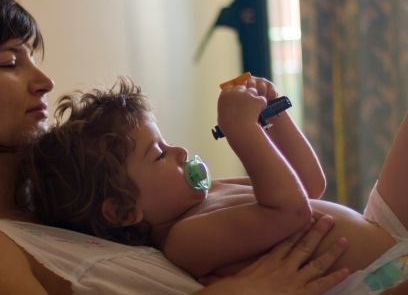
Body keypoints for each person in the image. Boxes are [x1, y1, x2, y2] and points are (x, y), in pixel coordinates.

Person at [0, 0, 350, 295]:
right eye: (9, 63)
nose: (43, 80)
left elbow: (293, 191)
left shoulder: (78, 202)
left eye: (31, 58)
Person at [23, 76, 408, 294]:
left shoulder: (210, 194)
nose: (178, 152)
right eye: (158, 154)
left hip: (382, 234)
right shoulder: (186, 239)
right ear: (125, 210)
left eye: (166, 141)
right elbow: (292, 211)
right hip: (374, 280)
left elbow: (308, 184)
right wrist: (241, 131)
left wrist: (272, 116)